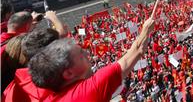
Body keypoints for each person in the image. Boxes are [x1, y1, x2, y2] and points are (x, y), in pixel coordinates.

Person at [25, 17, 154, 101]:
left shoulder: (44, 91)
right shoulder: (90, 91)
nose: (87, 54)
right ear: (68, 73)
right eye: (81, 54)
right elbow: (136, 51)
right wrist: (146, 30)